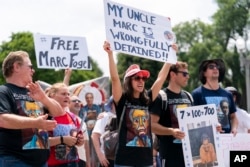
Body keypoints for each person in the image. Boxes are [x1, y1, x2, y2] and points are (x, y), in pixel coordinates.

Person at [103, 41, 178, 166]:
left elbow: (161, 78)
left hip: (146, 161)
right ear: (128, 81)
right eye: (137, 78)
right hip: (124, 161)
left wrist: (171, 56)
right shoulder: (122, 100)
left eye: (143, 78)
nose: (141, 81)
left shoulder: (147, 99)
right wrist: (110, 54)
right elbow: (115, 79)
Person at [0, 50, 62, 167]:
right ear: (17, 67)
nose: (33, 71)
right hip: (15, 160)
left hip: (41, 162)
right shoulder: (3, 91)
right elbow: (2, 119)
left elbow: (59, 112)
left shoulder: (34, 92)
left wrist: (44, 98)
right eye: (30, 67)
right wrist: (36, 123)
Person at [150, 62, 192, 167]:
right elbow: (151, 125)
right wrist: (171, 131)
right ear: (173, 75)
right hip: (170, 156)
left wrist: (214, 127)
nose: (188, 77)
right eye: (184, 74)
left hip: (190, 155)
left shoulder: (188, 96)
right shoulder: (161, 97)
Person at [192, 59, 238, 135]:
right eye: (211, 67)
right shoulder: (197, 94)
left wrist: (234, 128)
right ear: (204, 73)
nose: (215, 68)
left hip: (227, 141)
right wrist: (212, 127)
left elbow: (233, 117)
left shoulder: (228, 94)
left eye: (217, 67)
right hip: (207, 140)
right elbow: (193, 120)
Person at [46, 83, 84, 167]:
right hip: (53, 164)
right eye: (63, 94)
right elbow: (40, 142)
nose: (67, 96)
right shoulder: (45, 116)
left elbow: (79, 141)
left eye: (68, 94)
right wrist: (62, 139)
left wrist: (80, 141)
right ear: (52, 95)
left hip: (73, 163)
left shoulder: (73, 116)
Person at [91, 97, 116, 167]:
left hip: (123, 159)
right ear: (111, 104)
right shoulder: (105, 116)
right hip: (107, 159)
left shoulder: (126, 116)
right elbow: (94, 135)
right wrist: (100, 155)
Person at [69, 95, 91, 167]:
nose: (77, 102)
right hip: (69, 160)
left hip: (82, 160)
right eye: (74, 101)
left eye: (79, 101)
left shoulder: (83, 122)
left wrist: (88, 162)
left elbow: (86, 143)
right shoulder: (65, 119)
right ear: (68, 103)